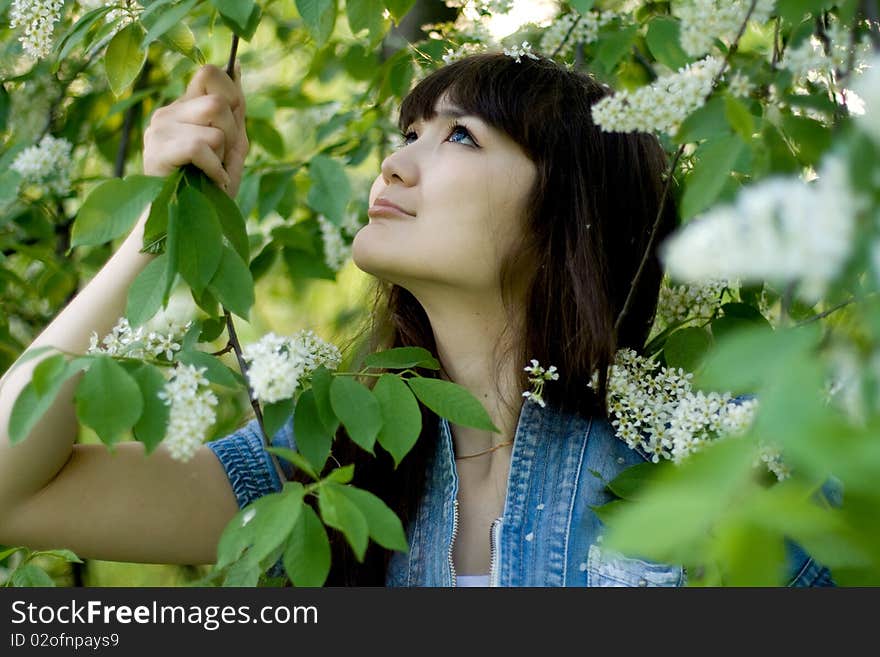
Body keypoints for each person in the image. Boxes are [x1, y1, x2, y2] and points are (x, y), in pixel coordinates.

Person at [0, 52, 834, 587]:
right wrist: (160, 229)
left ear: (569, 212)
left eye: (461, 137)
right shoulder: (328, 452)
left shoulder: (735, 466)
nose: (394, 164)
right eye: (408, 131)